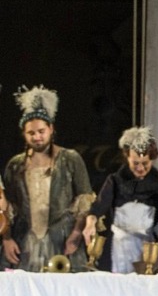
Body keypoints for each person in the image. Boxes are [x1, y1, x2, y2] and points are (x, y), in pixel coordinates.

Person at [1, 85, 93, 272]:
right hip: (25, 243)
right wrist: (7, 238)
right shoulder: (15, 165)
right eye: (31, 133)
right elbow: (6, 207)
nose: (37, 137)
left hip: (62, 239)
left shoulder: (70, 159)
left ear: (51, 129)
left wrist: (76, 234)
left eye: (41, 131)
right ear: (24, 134)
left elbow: (85, 200)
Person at [82, 126, 158, 273]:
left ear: (152, 159)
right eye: (135, 163)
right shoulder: (115, 181)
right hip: (119, 246)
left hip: (147, 247)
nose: (140, 168)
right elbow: (97, 208)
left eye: (145, 163)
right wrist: (90, 223)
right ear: (126, 156)